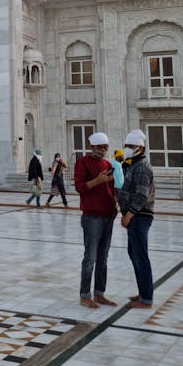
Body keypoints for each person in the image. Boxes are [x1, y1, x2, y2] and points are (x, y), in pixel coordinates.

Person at [74, 132, 117, 309]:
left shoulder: (107, 164)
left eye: (105, 147)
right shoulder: (82, 162)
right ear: (92, 147)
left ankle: (99, 293)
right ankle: (85, 295)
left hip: (108, 215)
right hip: (92, 217)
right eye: (100, 147)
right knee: (90, 257)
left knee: (103, 258)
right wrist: (98, 180)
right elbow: (79, 187)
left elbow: (111, 188)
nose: (103, 150)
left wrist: (115, 206)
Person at [117, 129, 155, 308]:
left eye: (129, 146)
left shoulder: (141, 168)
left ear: (139, 148)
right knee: (134, 254)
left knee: (140, 256)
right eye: (126, 146)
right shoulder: (134, 165)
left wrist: (129, 214)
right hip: (135, 216)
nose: (126, 149)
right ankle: (142, 293)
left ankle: (147, 298)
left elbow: (141, 195)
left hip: (139, 216)